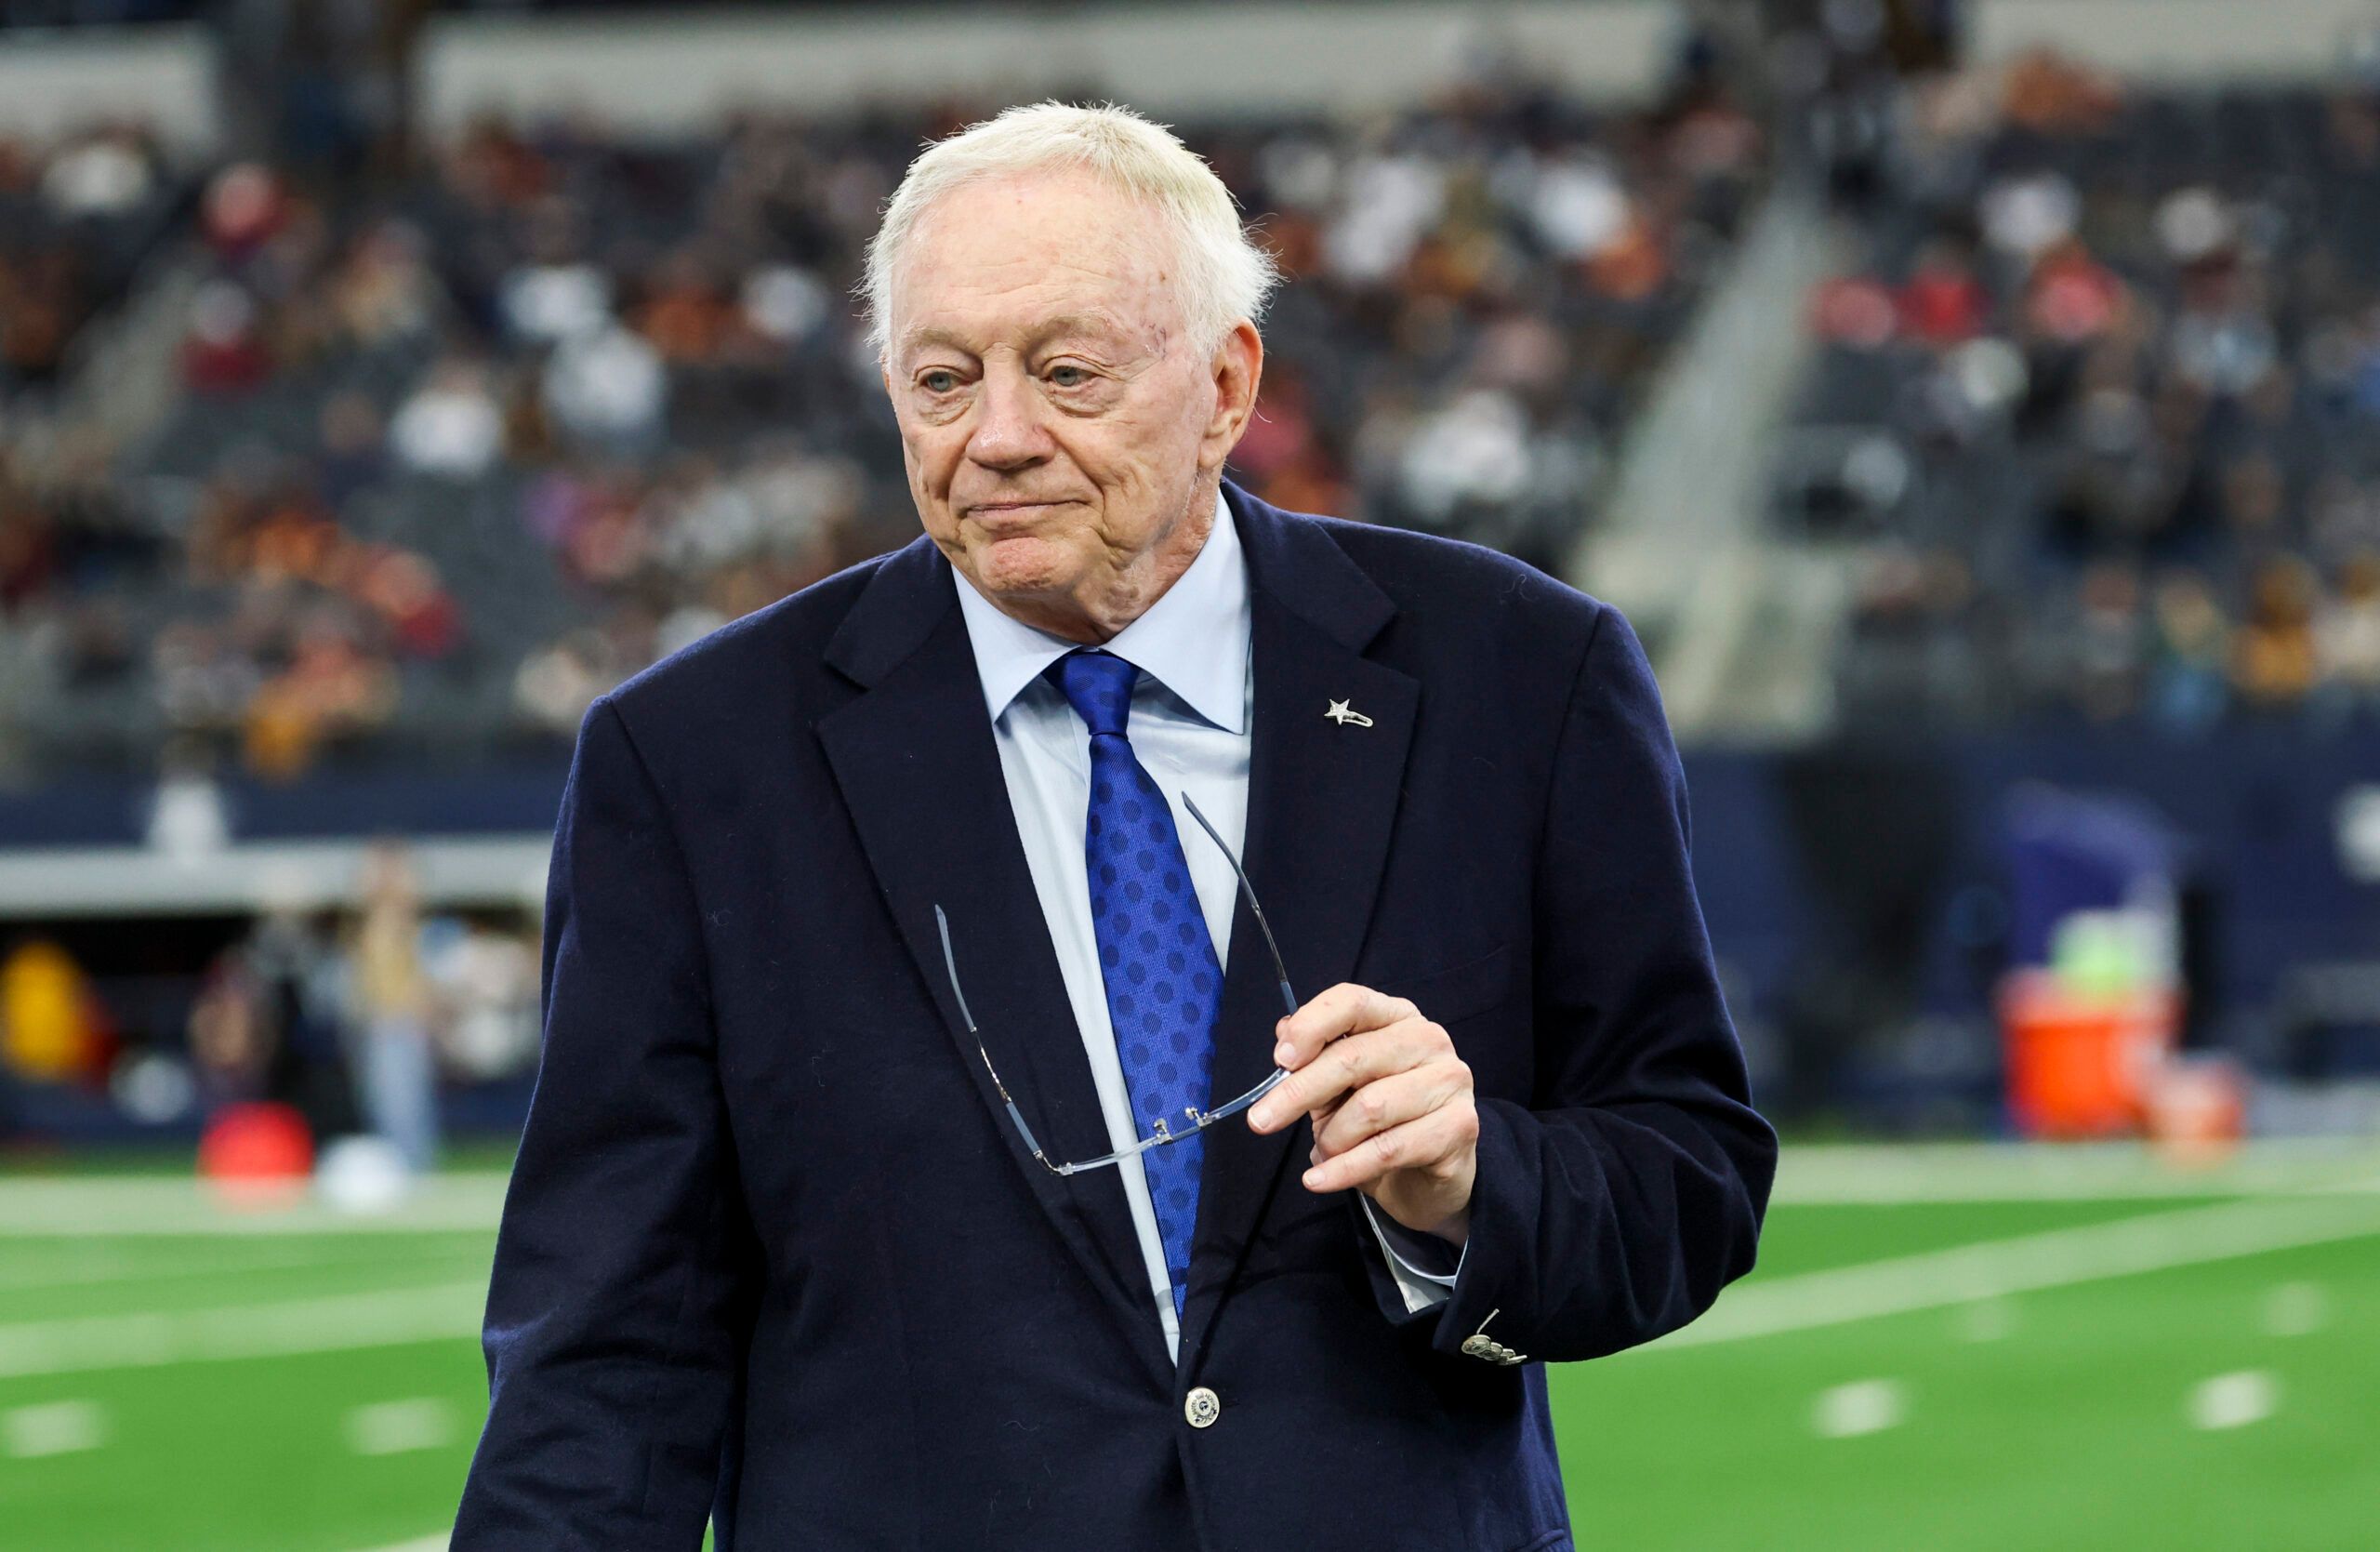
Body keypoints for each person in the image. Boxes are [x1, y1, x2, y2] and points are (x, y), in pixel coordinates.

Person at [454, 102, 1775, 1552]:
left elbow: (1689, 1173)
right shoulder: (693, 761)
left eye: (1068, 372)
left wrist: (1470, 1181)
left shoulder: (1520, 674)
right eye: (943, 379)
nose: (1000, 437)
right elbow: (605, 1351)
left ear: (1225, 384)